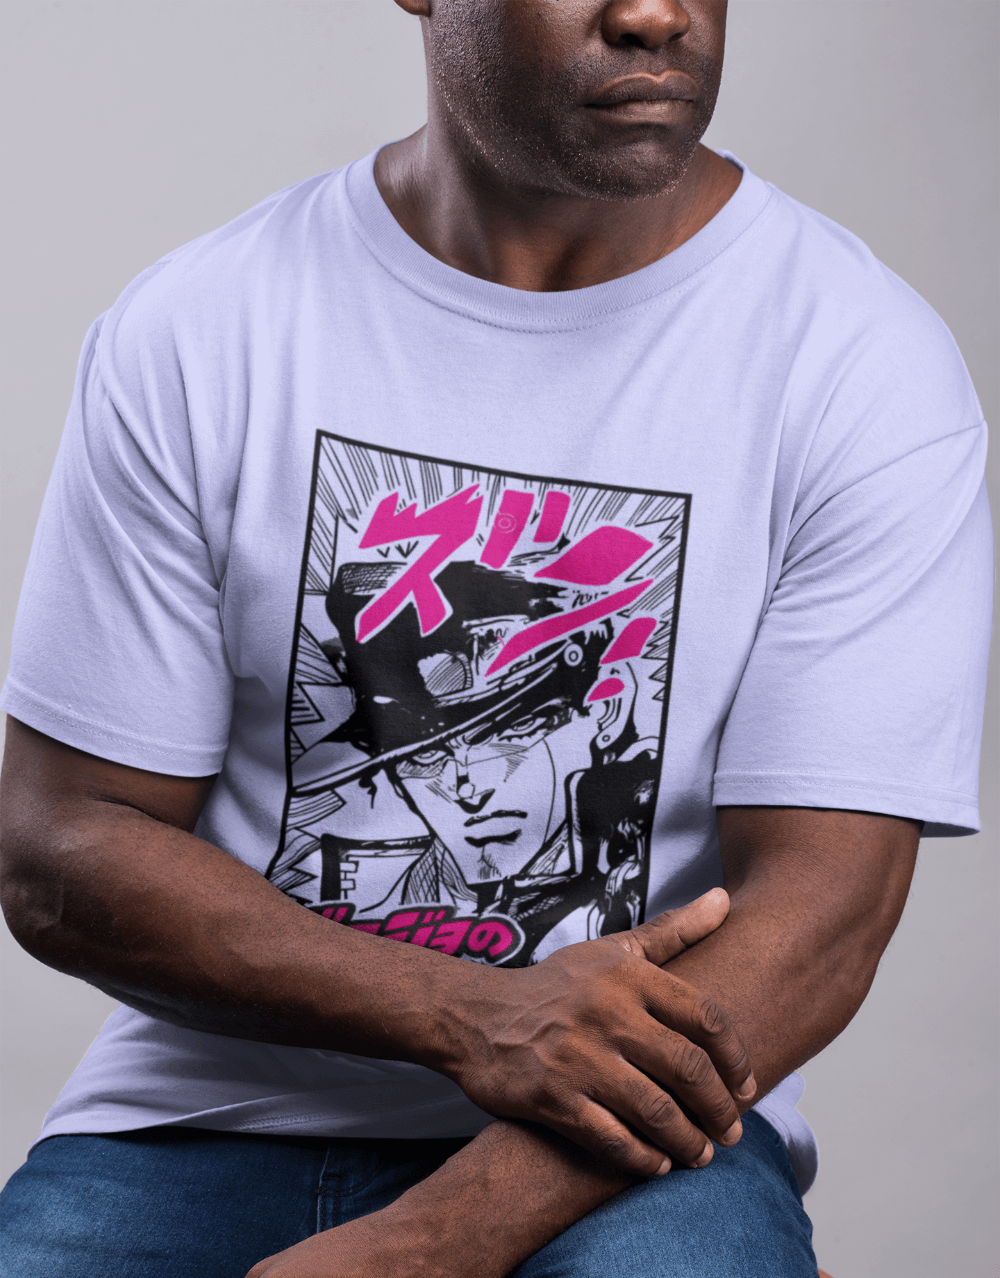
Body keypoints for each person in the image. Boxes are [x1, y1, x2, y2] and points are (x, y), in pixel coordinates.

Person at [0, 1, 991, 1275]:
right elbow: (63, 847)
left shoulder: (860, 363)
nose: (653, 13)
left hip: (634, 1140)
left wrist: (429, 1243)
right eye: (438, 754)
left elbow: (822, 915)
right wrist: (469, 1014)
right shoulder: (205, 326)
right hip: (208, 1112)